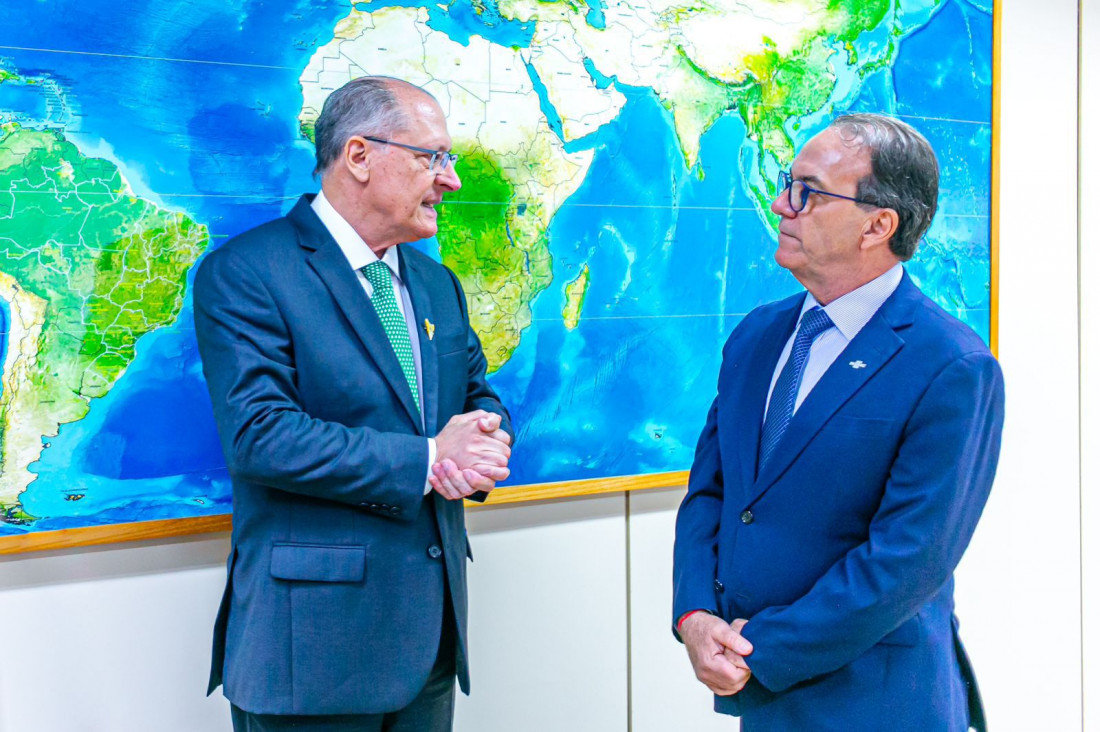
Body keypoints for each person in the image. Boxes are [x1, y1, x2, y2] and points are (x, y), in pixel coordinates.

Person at [193, 76, 513, 731]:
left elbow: (477, 398)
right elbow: (260, 435)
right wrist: (430, 459)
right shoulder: (250, 273)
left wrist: (485, 442)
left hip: (429, 646)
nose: (450, 180)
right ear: (360, 156)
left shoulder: (437, 284)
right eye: (433, 157)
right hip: (311, 655)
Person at [672, 113, 1004, 731]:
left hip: (878, 700)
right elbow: (711, 494)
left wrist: (759, 649)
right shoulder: (757, 335)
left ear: (878, 226)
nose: (781, 205)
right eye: (787, 183)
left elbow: (908, 559)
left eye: (809, 192)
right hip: (765, 701)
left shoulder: (951, 365)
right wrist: (694, 615)